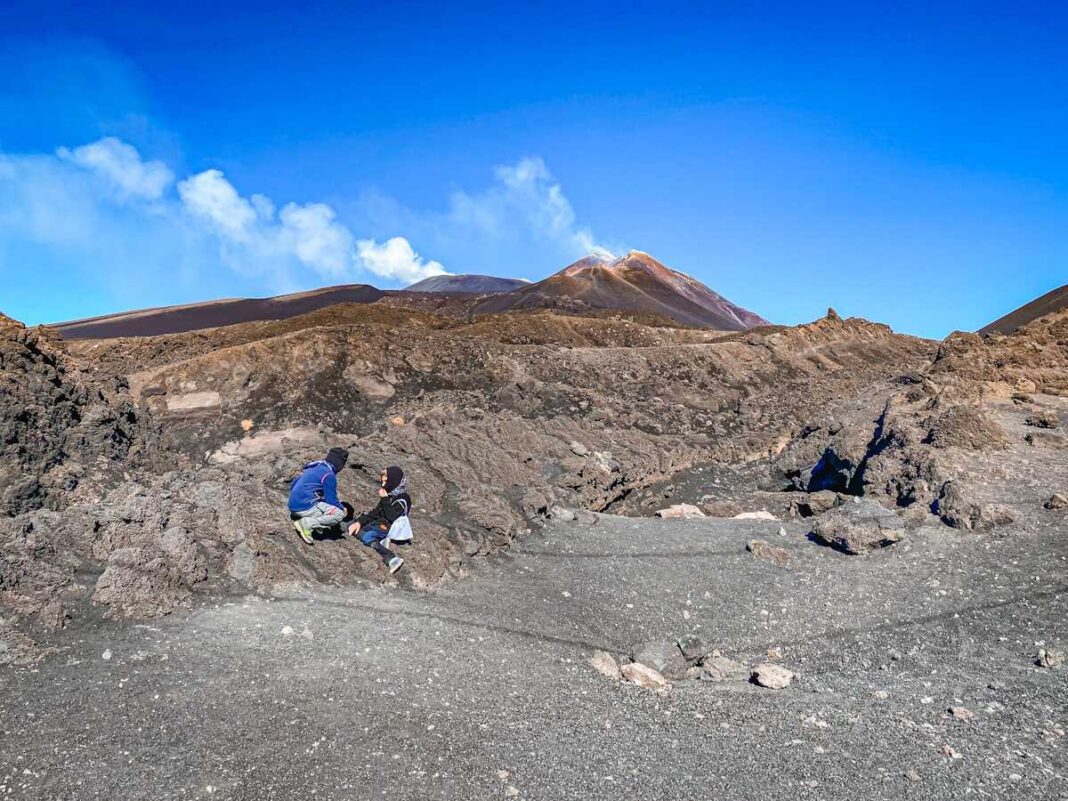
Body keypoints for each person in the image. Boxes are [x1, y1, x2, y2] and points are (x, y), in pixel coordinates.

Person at [349, 465, 410, 574]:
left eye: (386, 481)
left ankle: (390, 558)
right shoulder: (390, 494)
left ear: (394, 480)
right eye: (382, 482)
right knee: (353, 525)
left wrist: (385, 499)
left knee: (365, 535)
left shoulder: (403, 498)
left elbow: (392, 517)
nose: (383, 485)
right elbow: (376, 512)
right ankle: (380, 541)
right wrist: (359, 522)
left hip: (390, 527)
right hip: (380, 524)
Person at [288, 447, 349, 545]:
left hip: (293, 506)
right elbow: (331, 500)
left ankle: (314, 523)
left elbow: (293, 484)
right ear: (340, 465)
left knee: (323, 501)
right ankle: (307, 524)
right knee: (339, 514)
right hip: (304, 508)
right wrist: (342, 508)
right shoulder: (329, 475)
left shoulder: (315, 467)